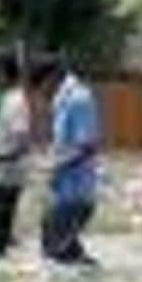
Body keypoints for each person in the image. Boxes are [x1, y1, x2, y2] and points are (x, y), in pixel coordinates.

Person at [33, 56, 101, 267]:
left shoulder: (79, 99)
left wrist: (54, 165)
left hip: (76, 194)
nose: (41, 92)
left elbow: (87, 146)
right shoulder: (62, 100)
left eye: (41, 86)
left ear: (52, 78)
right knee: (56, 249)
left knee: (56, 255)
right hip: (63, 192)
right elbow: (64, 143)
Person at [0, 54, 31, 258]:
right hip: (4, 174)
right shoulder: (9, 99)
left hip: (9, 176)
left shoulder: (16, 102)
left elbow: (22, 142)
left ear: (3, 74)